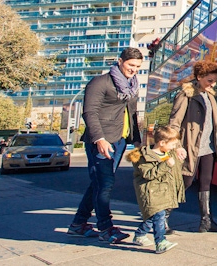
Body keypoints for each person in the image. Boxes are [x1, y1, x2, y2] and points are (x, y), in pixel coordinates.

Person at [67, 47, 143, 243]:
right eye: (130, 65)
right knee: (105, 184)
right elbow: (89, 112)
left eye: (137, 67)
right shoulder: (100, 82)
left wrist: (137, 142)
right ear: (120, 61)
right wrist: (99, 138)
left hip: (119, 140)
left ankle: (78, 224)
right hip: (101, 141)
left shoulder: (132, 86)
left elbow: (133, 116)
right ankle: (105, 228)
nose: (134, 70)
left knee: (99, 183)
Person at [169, 60, 217, 233]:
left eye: (215, 80)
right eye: (210, 80)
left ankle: (206, 221)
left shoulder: (210, 96)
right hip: (190, 147)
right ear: (199, 77)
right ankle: (161, 218)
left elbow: (214, 124)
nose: (213, 84)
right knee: (185, 182)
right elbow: (174, 122)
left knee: (205, 183)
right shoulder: (186, 95)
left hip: (208, 148)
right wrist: (177, 145)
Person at [126, 125, 184, 254]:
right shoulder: (144, 157)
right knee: (159, 216)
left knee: (152, 217)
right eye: (173, 144)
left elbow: (174, 171)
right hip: (152, 193)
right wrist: (166, 165)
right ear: (162, 143)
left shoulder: (168, 153)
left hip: (164, 191)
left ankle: (140, 235)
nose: (174, 147)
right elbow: (149, 174)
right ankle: (160, 241)